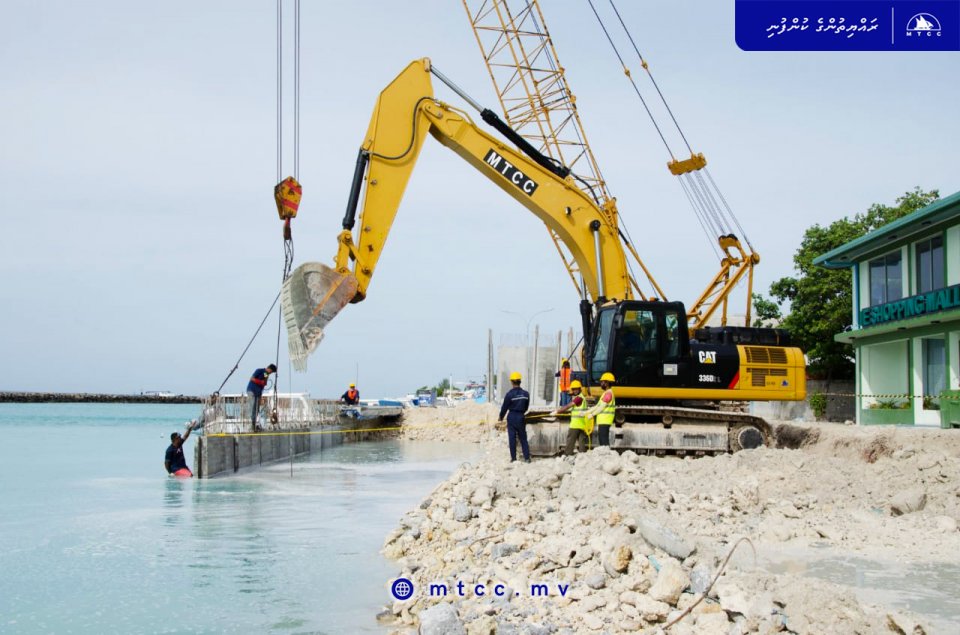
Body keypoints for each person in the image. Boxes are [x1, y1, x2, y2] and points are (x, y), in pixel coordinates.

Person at [498, 371, 530, 462]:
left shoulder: (509, 394)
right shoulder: (526, 394)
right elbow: (526, 407)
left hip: (512, 416)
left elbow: (504, 407)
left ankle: (513, 458)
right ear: (520, 381)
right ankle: (527, 458)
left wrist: (500, 417)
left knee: (512, 438)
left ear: (512, 382)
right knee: (523, 438)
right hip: (521, 416)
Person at [555, 380, 589, 455]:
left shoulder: (578, 398)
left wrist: (557, 411)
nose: (574, 390)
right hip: (582, 424)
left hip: (575, 424)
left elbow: (568, 406)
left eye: (576, 389)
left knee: (570, 440)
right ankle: (583, 457)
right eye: (573, 389)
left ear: (580, 389)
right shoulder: (582, 398)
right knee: (581, 442)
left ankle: (568, 454)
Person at [585, 372, 616, 447]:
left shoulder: (608, 394)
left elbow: (601, 407)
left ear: (607, 383)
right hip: (603, 421)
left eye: (602, 382)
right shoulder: (606, 393)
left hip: (605, 420)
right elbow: (597, 406)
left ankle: (607, 455)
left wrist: (592, 414)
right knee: (602, 439)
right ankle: (605, 455)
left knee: (604, 440)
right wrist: (586, 412)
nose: (601, 383)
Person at [247, 364, 277, 430]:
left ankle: (254, 424)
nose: (270, 373)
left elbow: (264, 383)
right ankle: (251, 424)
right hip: (252, 391)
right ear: (269, 369)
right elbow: (252, 378)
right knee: (252, 407)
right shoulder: (259, 371)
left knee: (256, 409)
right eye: (271, 372)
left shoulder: (266, 374)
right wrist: (261, 382)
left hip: (258, 393)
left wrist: (266, 378)